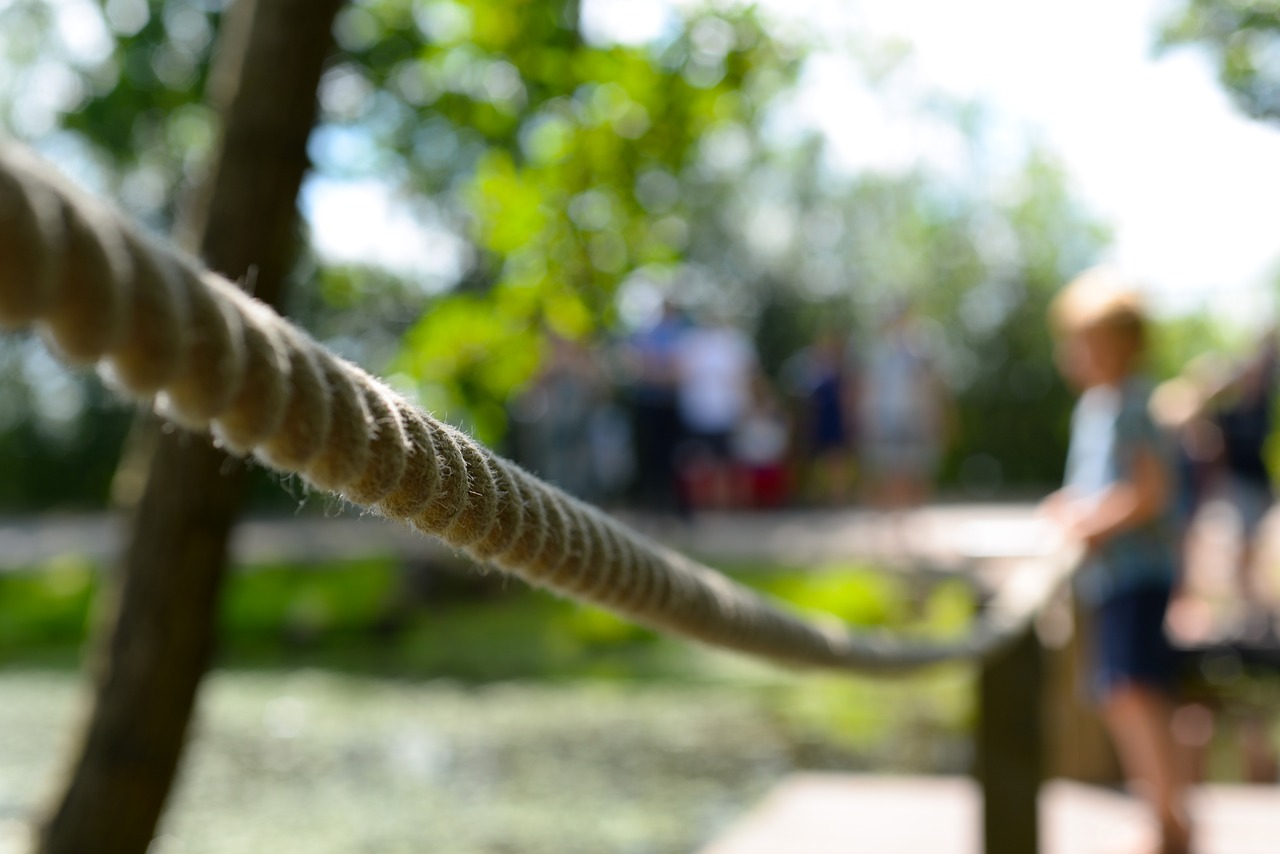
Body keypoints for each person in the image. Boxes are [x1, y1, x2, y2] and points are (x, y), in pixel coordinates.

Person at [1042, 268, 1191, 854]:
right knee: (1123, 693)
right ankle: (1165, 815)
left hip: (1138, 575)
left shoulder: (1131, 404)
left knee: (1132, 692)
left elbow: (1147, 493)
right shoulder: (1094, 407)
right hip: (1110, 579)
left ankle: (1167, 822)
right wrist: (1070, 508)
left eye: (1088, 342)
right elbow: (1096, 487)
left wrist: (1089, 521)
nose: (1076, 354)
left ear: (1124, 346)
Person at [859, 300, 946, 510]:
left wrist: (935, 415)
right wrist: (866, 416)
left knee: (918, 466)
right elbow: (869, 386)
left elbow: (933, 382)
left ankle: (915, 515)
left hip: (915, 415)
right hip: (886, 415)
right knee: (887, 467)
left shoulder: (922, 344)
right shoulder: (878, 348)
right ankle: (892, 516)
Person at [673, 314, 757, 510]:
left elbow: (746, 377)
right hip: (697, 412)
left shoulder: (735, 341)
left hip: (727, 412)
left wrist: (746, 406)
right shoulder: (691, 341)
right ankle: (702, 508)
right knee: (696, 463)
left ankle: (724, 506)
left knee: (726, 462)